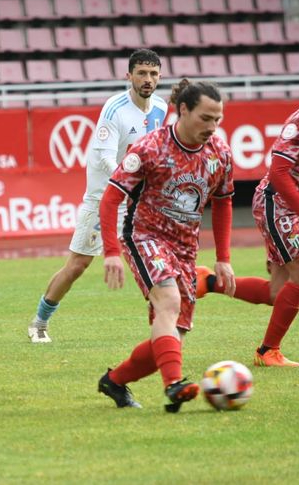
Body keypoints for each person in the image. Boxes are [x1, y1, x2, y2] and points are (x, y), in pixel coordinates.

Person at [196, 56, 299, 368]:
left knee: (277, 293)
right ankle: (267, 351)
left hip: (296, 209)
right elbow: (278, 174)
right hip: (275, 201)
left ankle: (207, 282)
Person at [97, 80, 236, 412]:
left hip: (185, 248)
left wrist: (224, 259)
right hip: (144, 237)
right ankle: (174, 385)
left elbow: (224, 203)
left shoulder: (221, 154)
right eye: (206, 118)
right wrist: (112, 252)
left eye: (218, 119)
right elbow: (111, 197)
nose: (212, 127)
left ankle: (114, 381)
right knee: (169, 302)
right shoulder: (149, 148)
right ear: (183, 110)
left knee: (173, 334)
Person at [28, 49, 169, 343]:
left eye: (153, 74)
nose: (148, 79)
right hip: (105, 198)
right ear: (128, 76)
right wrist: (131, 181)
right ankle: (39, 322)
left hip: (139, 200)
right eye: (142, 73)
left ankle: (166, 323)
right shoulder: (114, 108)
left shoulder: (160, 107)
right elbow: (104, 157)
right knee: (78, 264)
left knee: (156, 258)